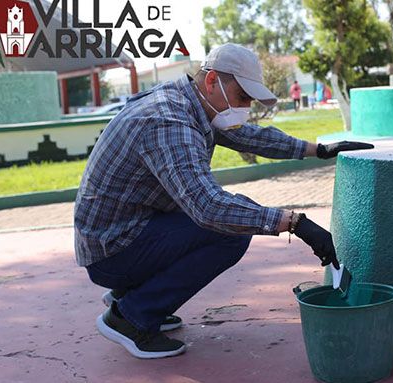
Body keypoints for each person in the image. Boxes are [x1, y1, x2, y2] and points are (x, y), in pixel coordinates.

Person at [74, 43, 374, 359]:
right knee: (230, 231)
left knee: (227, 214)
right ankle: (131, 318)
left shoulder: (191, 102)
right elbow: (208, 206)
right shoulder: (169, 121)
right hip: (112, 251)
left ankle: (136, 295)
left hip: (125, 232)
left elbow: (250, 137)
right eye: (243, 97)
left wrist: (318, 150)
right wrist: (295, 223)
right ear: (212, 81)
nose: (245, 106)